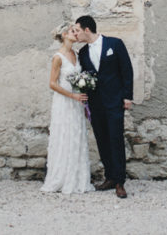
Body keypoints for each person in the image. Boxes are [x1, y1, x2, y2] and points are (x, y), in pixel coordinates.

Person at [73, 15, 133, 199]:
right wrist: (85, 102)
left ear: (87, 29)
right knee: (102, 139)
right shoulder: (83, 52)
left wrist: (127, 97)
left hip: (114, 101)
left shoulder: (115, 44)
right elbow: (85, 77)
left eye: (77, 30)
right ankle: (109, 176)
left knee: (115, 138)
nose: (75, 34)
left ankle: (120, 182)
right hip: (95, 103)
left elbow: (126, 70)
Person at [40, 23, 94, 194]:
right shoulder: (58, 57)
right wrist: (72, 96)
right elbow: (52, 84)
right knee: (64, 136)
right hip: (64, 102)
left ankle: (78, 179)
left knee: (76, 136)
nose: (76, 34)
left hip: (77, 102)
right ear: (64, 34)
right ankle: (61, 178)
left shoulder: (76, 54)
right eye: (72, 31)